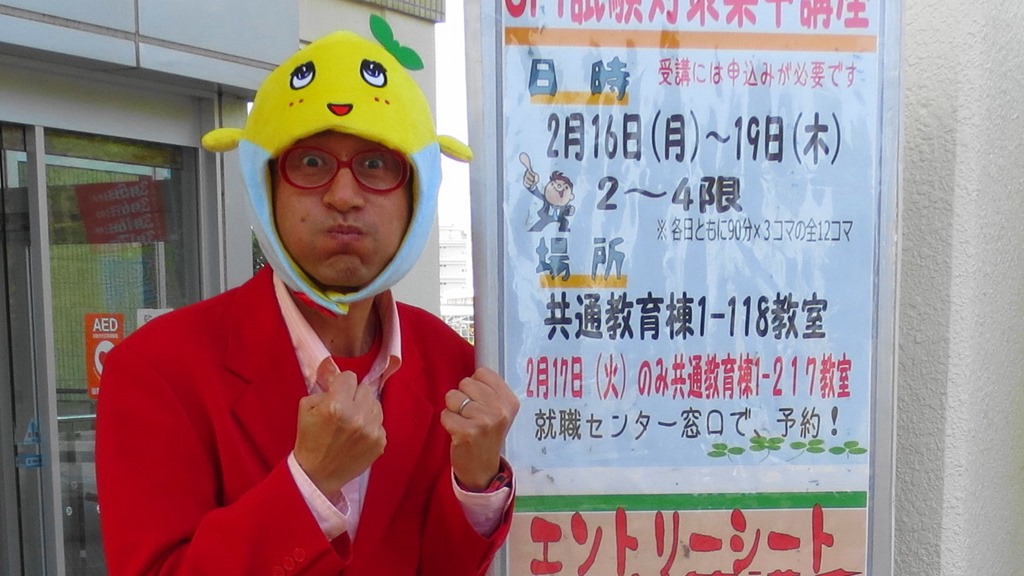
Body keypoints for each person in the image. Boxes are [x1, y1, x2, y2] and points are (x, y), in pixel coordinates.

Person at [95, 19, 520, 576]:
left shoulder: (453, 366)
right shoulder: (157, 369)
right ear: (266, 185)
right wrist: (309, 485)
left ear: (418, 193)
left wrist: (476, 481)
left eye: (376, 164)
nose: (343, 196)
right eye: (312, 163)